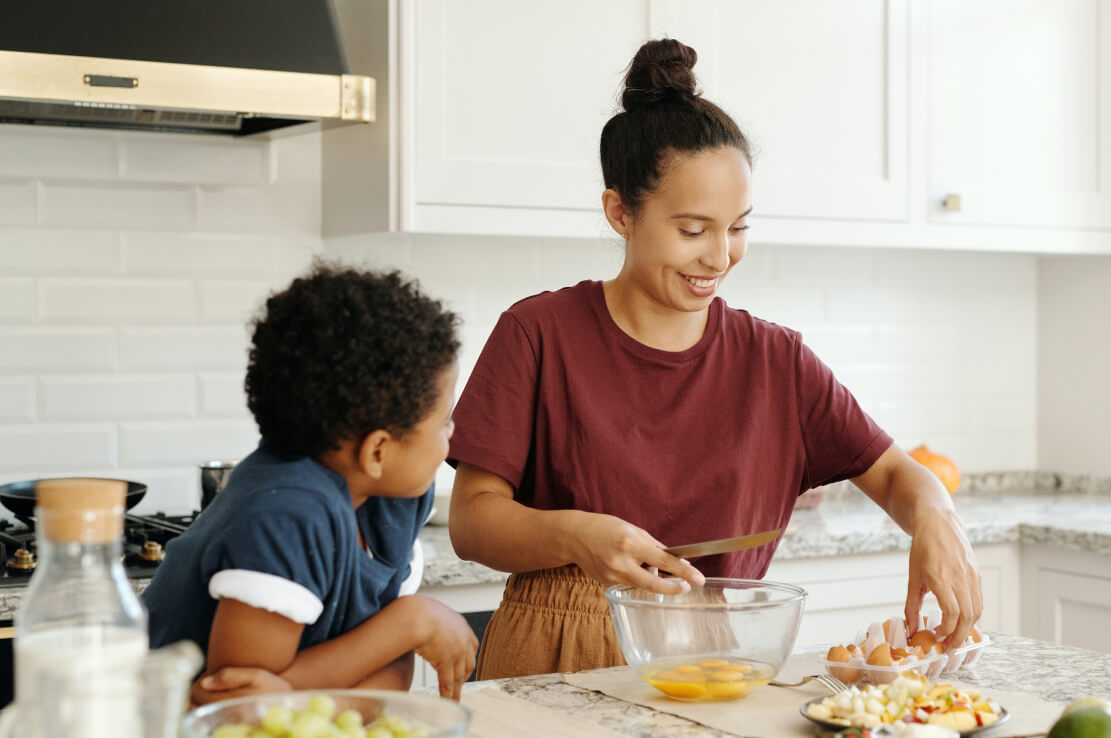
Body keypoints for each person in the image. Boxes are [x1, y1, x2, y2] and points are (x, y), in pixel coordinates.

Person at [446, 38, 984, 681]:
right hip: (558, 656)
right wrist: (575, 538)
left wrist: (936, 516)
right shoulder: (537, 333)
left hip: (721, 661)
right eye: (693, 230)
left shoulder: (777, 362)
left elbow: (900, 476)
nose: (720, 256)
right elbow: (472, 519)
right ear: (621, 212)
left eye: (739, 227)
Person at [142, 264, 479, 702]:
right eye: (443, 421)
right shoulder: (287, 513)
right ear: (377, 451)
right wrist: (408, 623)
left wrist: (392, 639)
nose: (451, 434)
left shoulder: (393, 502)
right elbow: (234, 705)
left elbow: (391, 669)